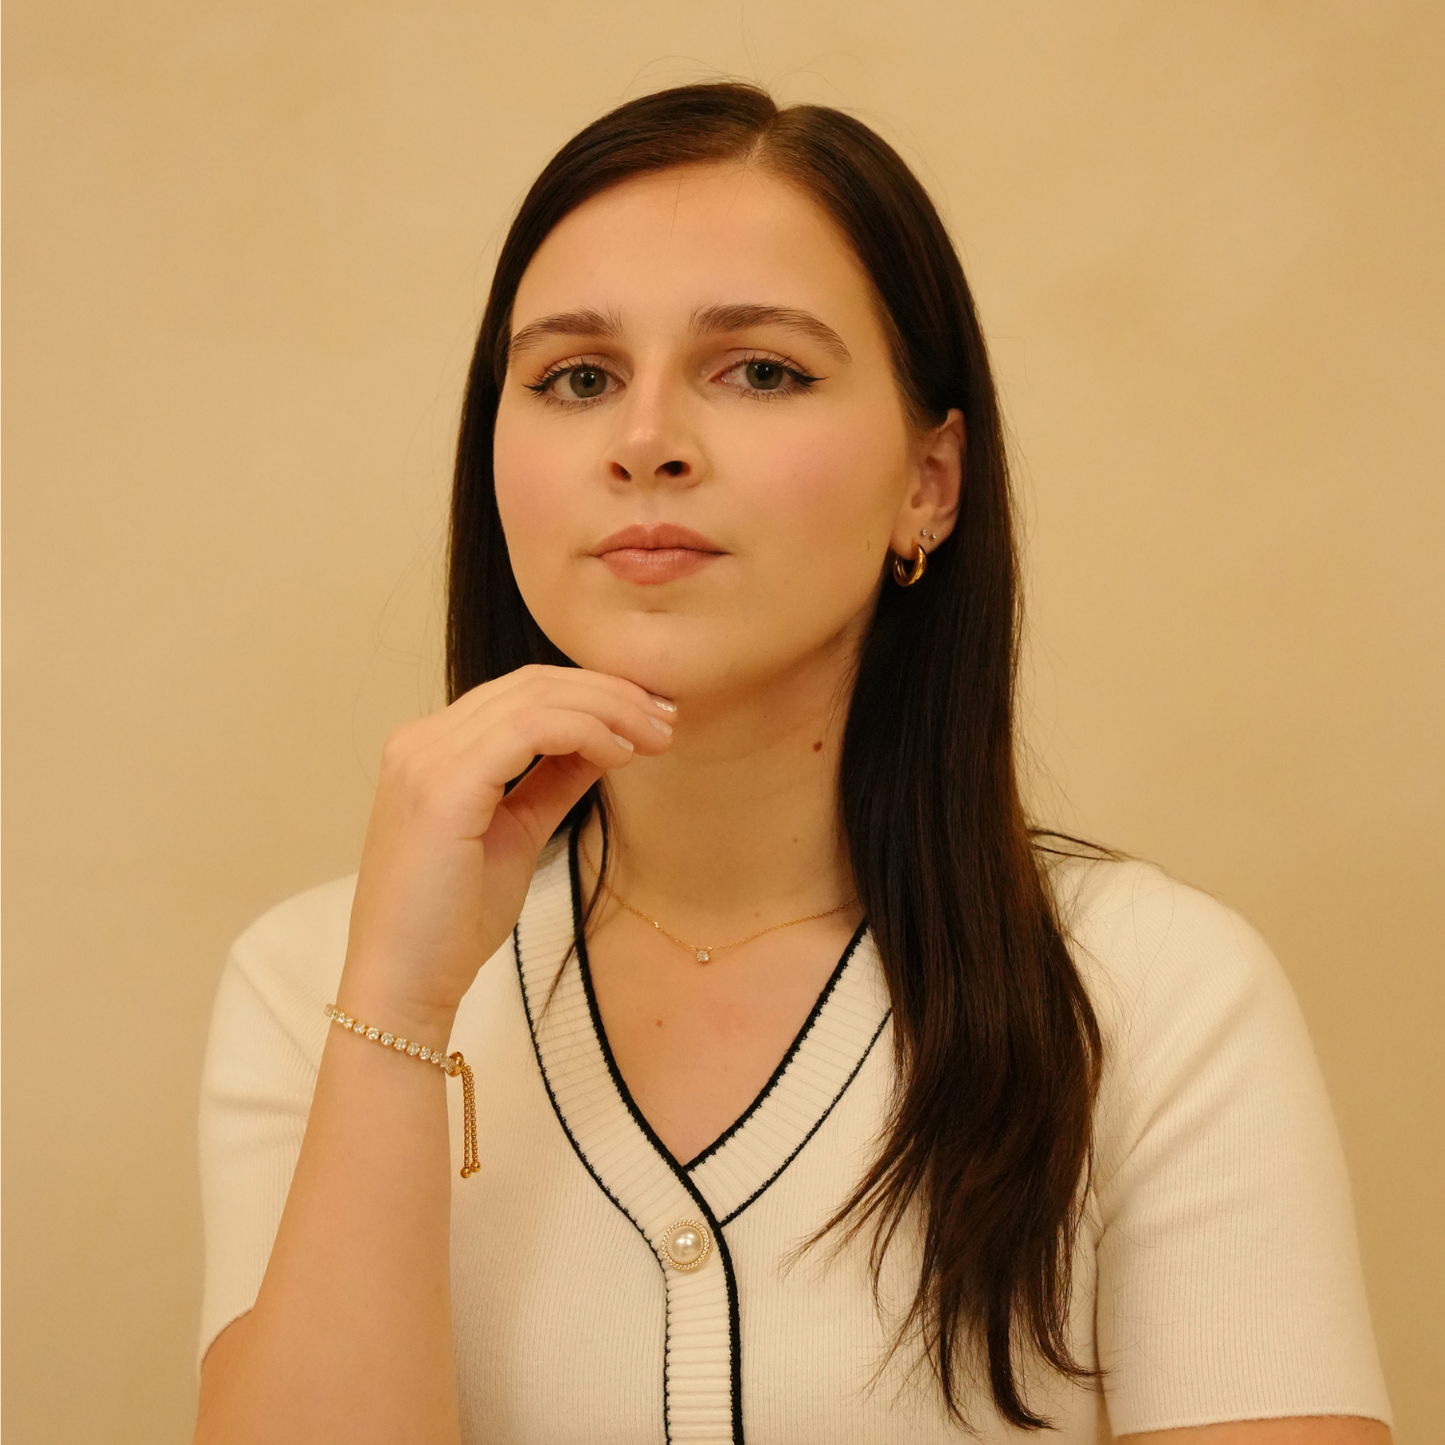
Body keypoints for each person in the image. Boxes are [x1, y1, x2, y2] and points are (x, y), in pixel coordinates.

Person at [191, 83, 1392, 1444]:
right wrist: (399, 1009)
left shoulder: (1153, 993)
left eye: (760, 370)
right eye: (576, 379)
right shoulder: (315, 991)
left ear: (930, 481)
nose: (644, 442)